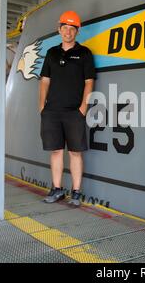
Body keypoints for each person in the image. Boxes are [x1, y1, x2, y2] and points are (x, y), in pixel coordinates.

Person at [39, 10, 96, 206]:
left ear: (77, 32)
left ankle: (77, 192)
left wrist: (83, 108)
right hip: (52, 112)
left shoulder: (85, 53)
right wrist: (42, 106)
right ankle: (57, 190)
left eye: (72, 29)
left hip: (74, 112)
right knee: (55, 151)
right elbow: (45, 81)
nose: (68, 32)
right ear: (59, 30)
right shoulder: (52, 53)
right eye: (65, 28)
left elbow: (89, 82)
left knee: (75, 152)